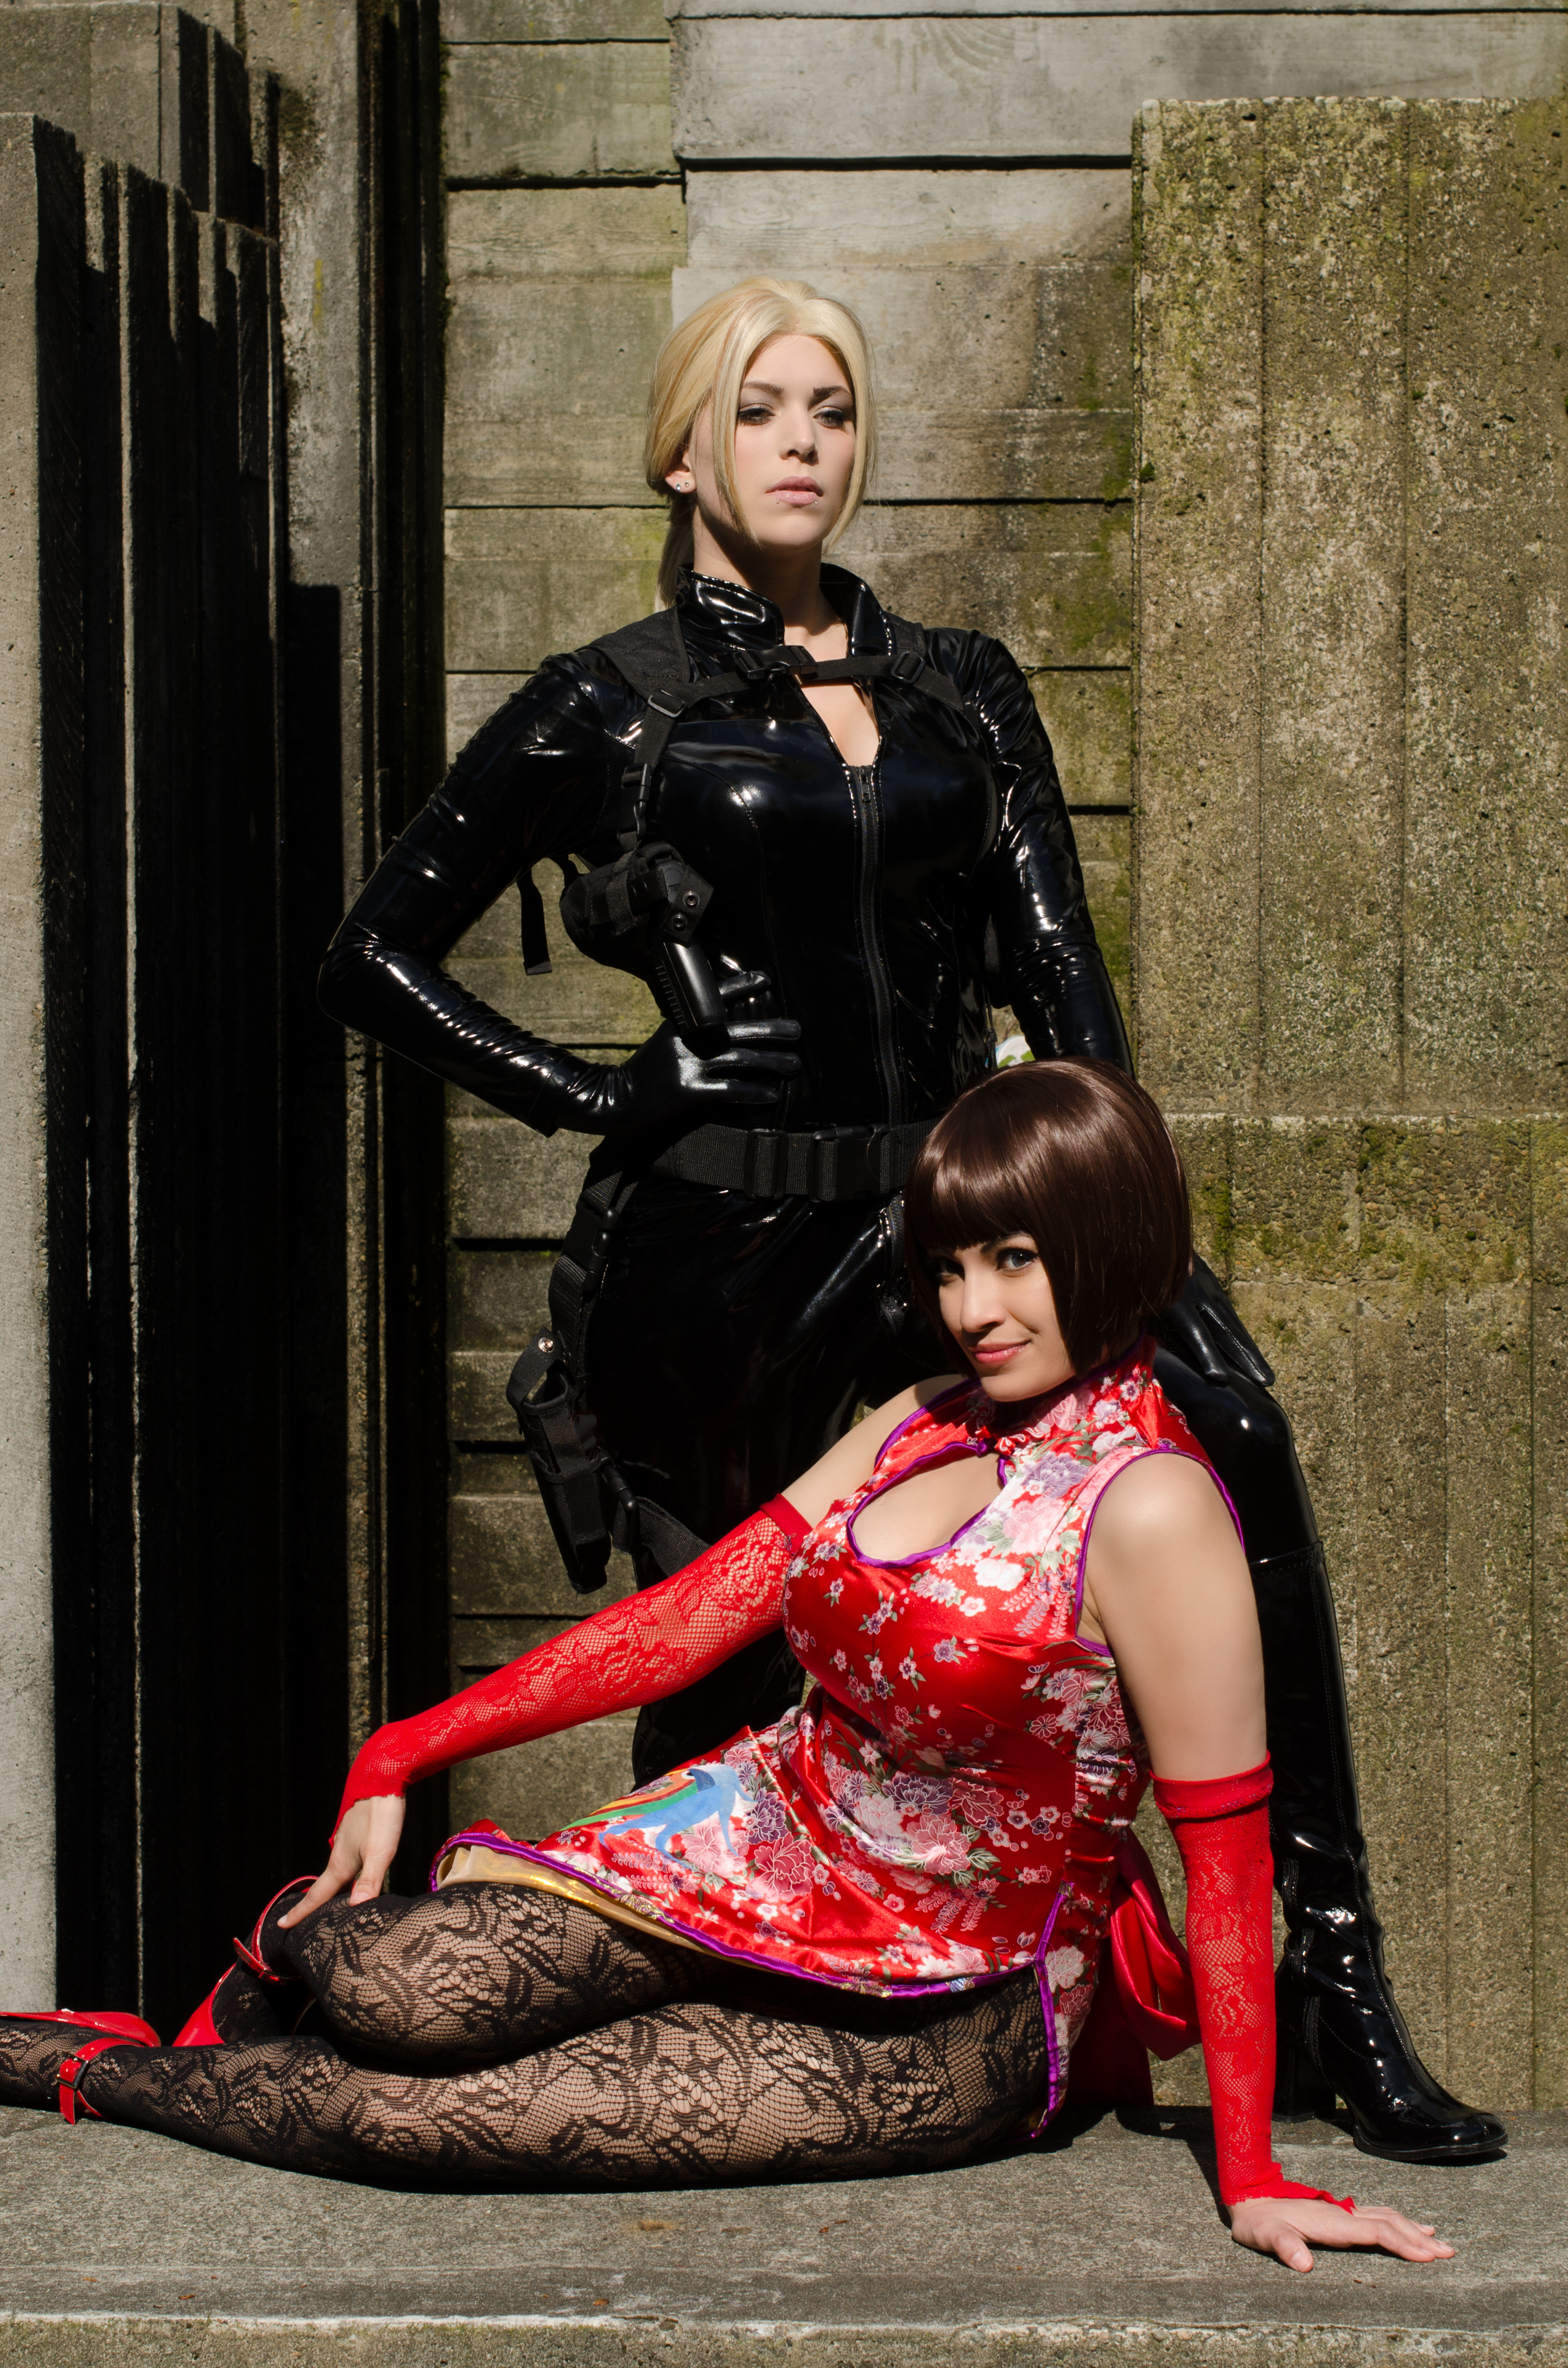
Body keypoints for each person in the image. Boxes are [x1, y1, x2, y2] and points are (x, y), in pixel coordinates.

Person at [313, 277, 1500, 2162]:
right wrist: (601, 1091)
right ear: (683, 450)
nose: (802, 443)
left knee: (1235, 1434)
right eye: (760, 408)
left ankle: (1332, 1972)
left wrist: (1128, 1227)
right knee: (728, 1664)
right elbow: (372, 954)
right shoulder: (606, 702)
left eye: (833, 410)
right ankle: (662, 2044)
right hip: (711, 1268)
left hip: (947, 1235)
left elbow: (1061, 977)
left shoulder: (962, 683)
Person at [0, 1063, 1454, 2273]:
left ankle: (78, 2066)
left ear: (1112, 1240)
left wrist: (1251, 2172)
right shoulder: (921, 1417)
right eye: (950, 1265)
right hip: (754, 1846)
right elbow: (690, 1620)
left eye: (1014, 1258)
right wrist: (406, 1745)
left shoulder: (1152, 1506)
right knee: (395, 1992)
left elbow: (1226, 1856)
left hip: (954, 1988)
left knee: (410, 2118)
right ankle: (266, 1976)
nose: (973, 1306)